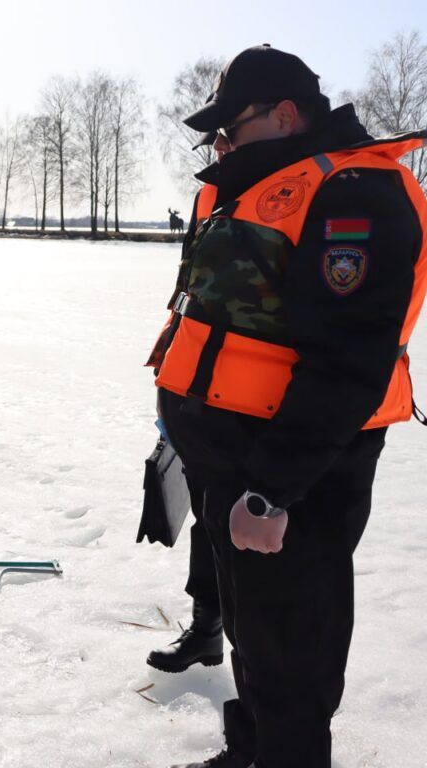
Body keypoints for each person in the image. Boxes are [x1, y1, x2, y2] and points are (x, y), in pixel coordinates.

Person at [147, 45, 427, 768]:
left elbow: (349, 361)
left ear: (285, 114)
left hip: (292, 471)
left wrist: (271, 493)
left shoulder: (354, 192)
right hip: (231, 457)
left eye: (231, 127)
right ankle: (250, 751)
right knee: (254, 633)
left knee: (293, 657)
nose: (222, 144)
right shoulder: (265, 182)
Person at [147, 133, 224, 676]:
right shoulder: (209, 195)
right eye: (214, 138)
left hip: (257, 401)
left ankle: (257, 672)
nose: (218, 146)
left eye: (228, 131)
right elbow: (189, 287)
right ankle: (207, 629)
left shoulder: (296, 192)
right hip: (195, 384)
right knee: (208, 516)